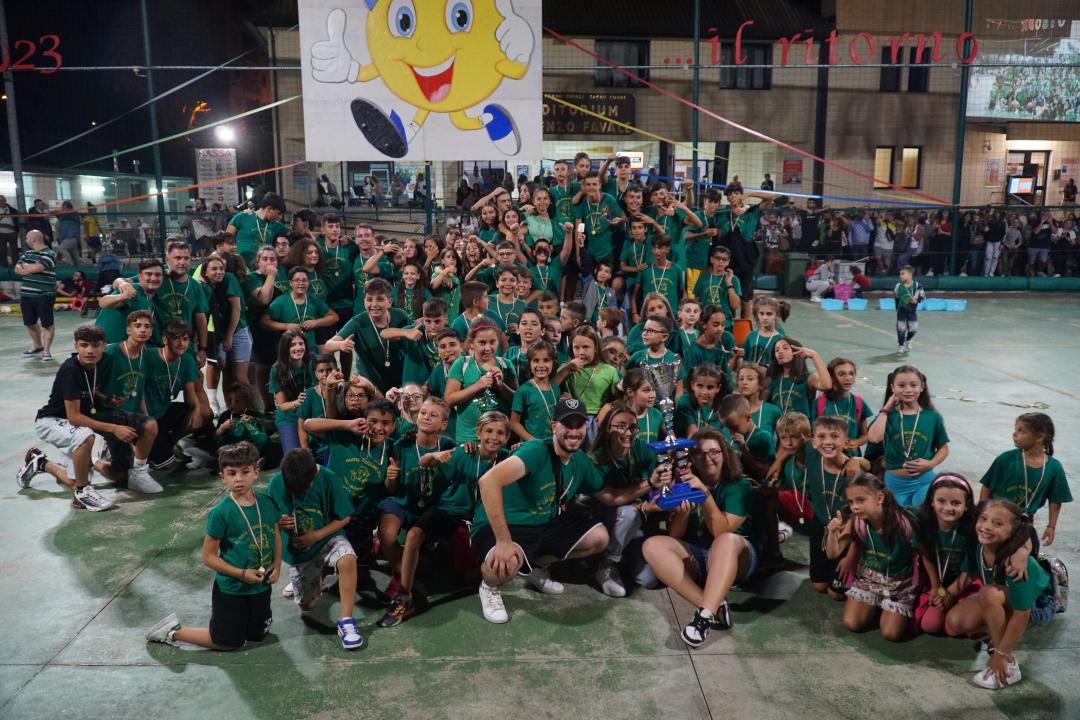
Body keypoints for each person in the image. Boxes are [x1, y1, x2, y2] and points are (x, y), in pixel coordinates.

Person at [472, 399, 663, 624]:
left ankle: (534, 568)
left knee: (599, 538)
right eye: (567, 424)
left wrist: (650, 483)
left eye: (579, 425)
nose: (573, 431)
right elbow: (488, 482)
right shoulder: (536, 450)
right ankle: (489, 587)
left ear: (586, 428)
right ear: (554, 426)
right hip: (504, 523)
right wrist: (503, 541)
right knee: (506, 563)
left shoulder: (579, 460)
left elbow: (610, 497)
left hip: (543, 522)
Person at [146, 442, 282, 650]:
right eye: (232, 473)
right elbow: (208, 557)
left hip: (261, 585)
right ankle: (173, 631)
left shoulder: (267, 503)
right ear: (222, 477)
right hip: (233, 588)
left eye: (245, 472)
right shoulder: (221, 513)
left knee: (258, 635)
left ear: (256, 472)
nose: (238, 479)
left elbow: (275, 533)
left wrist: (277, 565)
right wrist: (240, 574)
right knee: (228, 642)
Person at [642, 428, 758, 646]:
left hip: (735, 559)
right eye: (700, 453)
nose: (708, 458)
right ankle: (713, 605)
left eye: (714, 452)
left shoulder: (740, 486)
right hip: (699, 557)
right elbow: (675, 535)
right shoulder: (683, 483)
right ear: (691, 458)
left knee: (726, 541)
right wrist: (684, 512)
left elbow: (721, 532)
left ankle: (702, 619)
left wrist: (704, 494)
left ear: (725, 454)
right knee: (652, 545)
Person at [944, 499, 1058, 689]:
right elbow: (969, 574)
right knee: (955, 620)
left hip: (1037, 606)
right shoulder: (979, 545)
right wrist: (943, 594)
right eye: (983, 519)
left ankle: (1007, 663)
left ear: (1012, 532)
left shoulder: (1016, 563)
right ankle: (1000, 631)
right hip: (1002, 597)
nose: (986, 526)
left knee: (988, 593)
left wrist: (1000, 654)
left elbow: (1022, 614)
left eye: (998, 524)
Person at [266, 448, 364, 650]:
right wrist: (277, 522)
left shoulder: (329, 478)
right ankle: (319, 573)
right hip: (299, 552)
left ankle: (346, 621)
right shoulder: (276, 483)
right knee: (307, 605)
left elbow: (344, 517)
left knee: (347, 559)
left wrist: (316, 536)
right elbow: (268, 519)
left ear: (313, 476)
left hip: (328, 539)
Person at [18, 326, 118, 510]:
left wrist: (106, 399)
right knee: (86, 436)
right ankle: (82, 495)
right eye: (84, 345)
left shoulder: (99, 363)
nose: (90, 350)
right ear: (76, 346)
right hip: (50, 422)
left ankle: (41, 463)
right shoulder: (70, 369)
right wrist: (113, 428)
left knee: (73, 481)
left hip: (70, 426)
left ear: (103, 346)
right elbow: (74, 417)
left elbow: (88, 389)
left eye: (95, 345)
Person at [825, 472, 920, 642]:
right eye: (851, 502)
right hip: (869, 578)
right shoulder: (856, 521)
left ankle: (888, 609)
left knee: (891, 634)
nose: (855, 507)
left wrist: (933, 585)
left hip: (899, 583)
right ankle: (876, 606)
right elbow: (833, 553)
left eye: (861, 500)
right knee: (851, 623)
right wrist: (832, 533)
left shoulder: (904, 523)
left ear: (879, 498)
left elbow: (925, 555)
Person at [979, 412, 1070, 550]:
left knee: (1025, 556)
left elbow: (1055, 500)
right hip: (996, 518)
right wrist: (981, 513)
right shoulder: (1005, 459)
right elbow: (987, 487)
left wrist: (1051, 526)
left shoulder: (1054, 468)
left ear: (1039, 437)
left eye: (1021, 431)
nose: (1014, 434)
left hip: (1024, 523)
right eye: (1015, 429)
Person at [866, 365, 949, 507]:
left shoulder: (932, 416)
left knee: (920, 516)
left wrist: (930, 464)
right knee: (899, 518)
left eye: (913, 385)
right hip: (895, 483)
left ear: (922, 387)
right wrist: (887, 408)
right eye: (901, 385)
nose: (908, 390)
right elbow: (874, 438)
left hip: (924, 481)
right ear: (893, 388)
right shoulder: (888, 416)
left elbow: (943, 448)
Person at [914, 474, 978, 635]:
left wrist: (947, 594)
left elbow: (970, 571)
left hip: (965, 581)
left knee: (954, 629)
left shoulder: (972, 529)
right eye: (941, 501)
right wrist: (936, 587)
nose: (948, 508)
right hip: (936, 581)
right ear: (932, 501)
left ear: (966, 505)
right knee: (929, 625)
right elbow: (926, 555)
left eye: (956, 503)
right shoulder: (922, 521)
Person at [269, 329, 315, 454]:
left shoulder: (313, 361)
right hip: (289, 418)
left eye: (301, 343)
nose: (298, 348)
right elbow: (282, 405)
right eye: (292, 345)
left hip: (312, 414)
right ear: (285, 348)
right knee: (294, 457)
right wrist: (297, 402)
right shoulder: (276, 370)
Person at [16, 230, 58, 361]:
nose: (26, 240)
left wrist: (26, 267)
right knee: (29, 323)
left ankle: (46, 350)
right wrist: (28, 268)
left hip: (44, 294)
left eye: (27, 238)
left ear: (33, 239)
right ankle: (38, 346)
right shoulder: (27, 253)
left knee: (47, 323)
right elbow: (17, 269)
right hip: (26, 294)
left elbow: (36, 268)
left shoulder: (49, 254)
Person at [227, 193, 288, 266]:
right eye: (279, 213)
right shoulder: (243, 216)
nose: (280, 217)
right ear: (269, 209)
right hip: (239, 265)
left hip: (262, 266)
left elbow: (295, 235)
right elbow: (227, 240)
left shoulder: (277, 226)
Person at [893, 265, 925, 354]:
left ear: (910, 275)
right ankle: (901, 345)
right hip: (901, 311)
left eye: (903, 274)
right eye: (900, 274)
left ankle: (908, 339)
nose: (901, 276)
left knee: (914, 329)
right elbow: (896, 297)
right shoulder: (898, 286)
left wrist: (917, 300)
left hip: (912, 311)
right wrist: (897, 307)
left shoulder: (917, 285)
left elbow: (922, 297)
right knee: (901, 329)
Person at [56, 201, 82, 266]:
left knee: (61, 248)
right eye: (62, 207)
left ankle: (71, 264)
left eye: (63, 207)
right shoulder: (63, 217)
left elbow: (63, 213)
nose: (62, 208)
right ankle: (77, 267)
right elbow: (58, 214)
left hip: (72, 237)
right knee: (75, 257)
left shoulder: (73, 213)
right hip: (66, 238)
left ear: (68, 207)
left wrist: (52, 212)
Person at [0, 194, 21, 266]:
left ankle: (15, 264)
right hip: (1, 233)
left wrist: (17, 230)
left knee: (14, 249)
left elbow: (17, 220)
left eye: (2, 200)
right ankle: (4, 265)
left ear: (5, 201)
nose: (1, 202)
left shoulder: (12, 210)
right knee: (2, 250)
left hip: (12, 233)